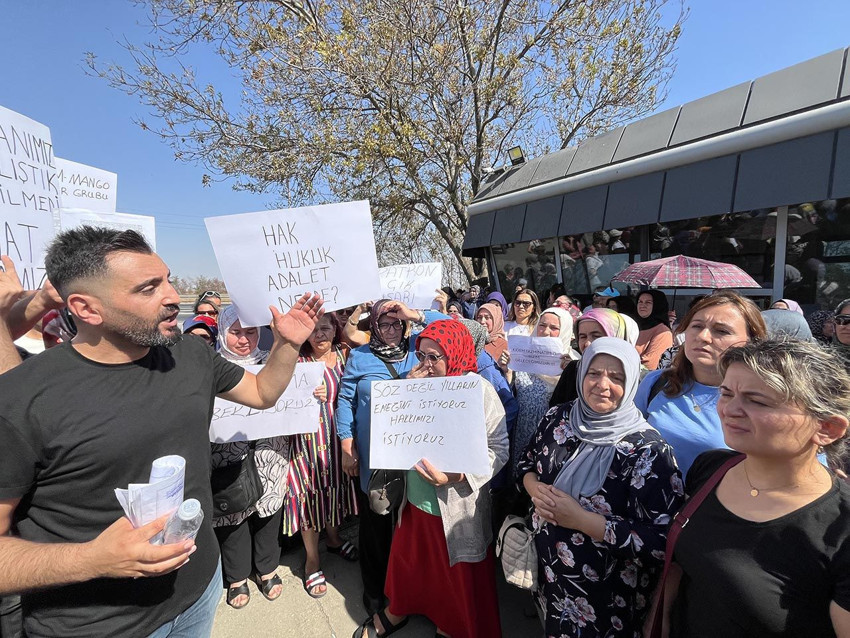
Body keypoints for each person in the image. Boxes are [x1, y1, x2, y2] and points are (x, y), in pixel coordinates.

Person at [0, 227, 323, 637]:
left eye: (168, 279)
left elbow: (262, 393)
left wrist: (288, 344)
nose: (172, 296)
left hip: (198, 593)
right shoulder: (21, 398)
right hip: (97, 625)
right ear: (86, 307)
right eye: (148, 288)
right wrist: (91, 560)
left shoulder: (190, 355)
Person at [659, 339, 850, 637]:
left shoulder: (841, 527)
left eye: (757, 401)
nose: (730, 409)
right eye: (726, 393)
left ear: (827, 428)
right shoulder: (711, 468)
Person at [519, 338, 683, 637]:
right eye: (593, 373)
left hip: (609, 600)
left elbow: (662, 542)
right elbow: (526, 463)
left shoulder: (647, 451)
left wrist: (581, 520)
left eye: (616, 377)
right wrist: (534, 489)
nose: (602, 385)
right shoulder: (559, 417)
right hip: (552, 579)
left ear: (632, 381)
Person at [355, 320, 508, 638]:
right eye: (421, 355)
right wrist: (405, 391)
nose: (425, 364)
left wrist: (459, 474)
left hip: (456, 507)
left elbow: (499, 448)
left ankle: (450, 622)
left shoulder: (478, 391)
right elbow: (393, 432)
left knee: (453, 575)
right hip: (414, 501)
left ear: (456, 354)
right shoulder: (415, 382)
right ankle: (398, 610)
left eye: (434, 357)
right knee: (412, 564)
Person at [336, 300, 444, 615]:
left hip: (415, 455)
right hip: (374, 455)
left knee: (408, 527)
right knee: (377, 525)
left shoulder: (419, 352)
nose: (392, 330)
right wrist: (347, 444)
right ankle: (374, 589)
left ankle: (406, 592)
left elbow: (458, 327)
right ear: (374, 328)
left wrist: (415, 313)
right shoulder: (360, 356)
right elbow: (345, 400)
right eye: (384, 324)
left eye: (397, 323)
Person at [211, 306, 293, 609]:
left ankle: (267, 569)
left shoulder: (271, 363)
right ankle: (236, 577)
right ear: (222, 332)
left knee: (269, 512)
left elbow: (292, 395)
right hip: (227, 457)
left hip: (269, 454)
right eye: (235, 332)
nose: (243, 339)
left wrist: (315, 394)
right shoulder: (212, 366)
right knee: (232, 515)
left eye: (250, 332)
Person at [634, 291, 766, 475]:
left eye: (721, 331)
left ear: (752, 341)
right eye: (696, 326)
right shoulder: (655, 382)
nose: (703, 336)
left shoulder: (766, 400)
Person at [282, 313, 359, 599]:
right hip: (306, 442)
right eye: (313, 330)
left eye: (325, 328)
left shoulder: (345, 354)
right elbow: (281, 396)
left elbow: (356, 394)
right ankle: (312, 559)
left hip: (337, 440)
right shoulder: (296, 360)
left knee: (334, 492)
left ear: (335, 329)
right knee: (309, 494)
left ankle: (335, 539)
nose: (319, 335)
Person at [505, 308, 577, 475]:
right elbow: (510, 394)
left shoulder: (574, 364)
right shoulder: (522, 358)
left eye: (554, 328)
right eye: (542, 325)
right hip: (522, 431)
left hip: (553, 438)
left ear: (565, 330)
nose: (546, 332)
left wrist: (569, 373)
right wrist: (506, 371)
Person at [549, 308, 631, 407]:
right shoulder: (573, 369)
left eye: (596, 336)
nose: (588, 343)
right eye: (582, 337)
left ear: (616, 337)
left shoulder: (631, 374)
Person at [635, 290, 674, 370]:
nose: (642, 305)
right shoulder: (634, 326)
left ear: (657, 305)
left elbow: (650, 365)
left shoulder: (663, 332)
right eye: (640, 302)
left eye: (648, 302)